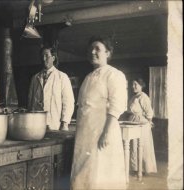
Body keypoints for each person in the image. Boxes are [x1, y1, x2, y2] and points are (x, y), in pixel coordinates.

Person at [70, 36, 128, 189]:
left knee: (101, 174)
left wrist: (106, 133)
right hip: (86, 134)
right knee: (84, 176)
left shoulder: (114, 75)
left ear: (108, 53)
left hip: (102, 133)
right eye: (90, 49)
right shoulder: (89, 77)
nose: (92, 52)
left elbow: (116, 106)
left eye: (98, 49)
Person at [27, 46, 74, 131]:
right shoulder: (35, 78)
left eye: (46, 56)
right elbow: (30, 102)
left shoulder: (62, 77)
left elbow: (68, 102)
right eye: (42, 56)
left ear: (53, 57)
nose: (44, 59)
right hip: (36, 124)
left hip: (55, 124)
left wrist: (64, 123)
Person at [128, 78, 157, 174]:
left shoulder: (144, 97)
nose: (133, 86)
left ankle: (144, 168)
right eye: (132, 84)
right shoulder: (133, 97)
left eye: (135, 84)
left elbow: (149, 113)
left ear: (141, 85)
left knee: (142, 145)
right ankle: (135, 168)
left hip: (141, 124)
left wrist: (148, 122)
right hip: (133, 122)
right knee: (134, 145)